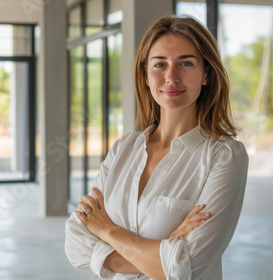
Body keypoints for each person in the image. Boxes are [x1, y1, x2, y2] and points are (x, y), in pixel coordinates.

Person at [64, 15, 249, 280]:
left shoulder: (225, 156)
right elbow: (75, 242)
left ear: (206, 74)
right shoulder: (123, 149)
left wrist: (107, 231)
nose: (171, 77)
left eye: (186, 63)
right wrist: (165, 253)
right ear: (146, 76)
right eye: (160, 64)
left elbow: (192, 264)